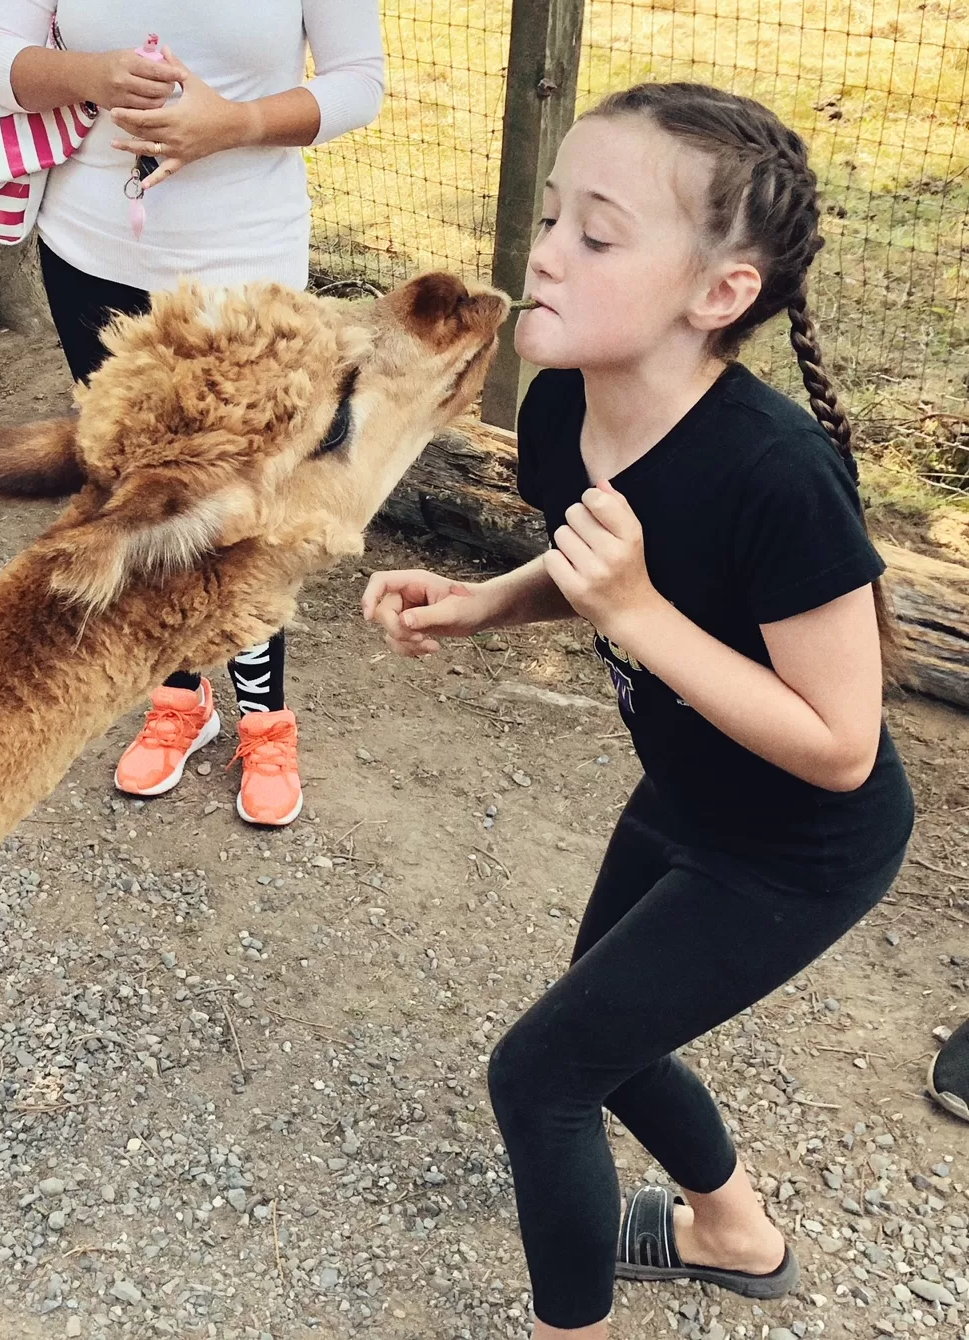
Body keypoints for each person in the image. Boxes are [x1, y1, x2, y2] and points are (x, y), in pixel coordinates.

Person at [362, 82, 914, 1338]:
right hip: (689, 793)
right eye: (551, 214)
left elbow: (839, 747)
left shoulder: (774, 475)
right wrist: (475, 605)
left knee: (542, 1072)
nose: (540, 250)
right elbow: (589, 571)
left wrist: (635, 614)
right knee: (598, 1017)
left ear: (716, 293)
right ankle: (730, 1229)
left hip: (801, 850)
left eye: (593, 234)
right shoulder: (563, 404)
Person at [0, 0, 384, 826]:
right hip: (89, 256)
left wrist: (235, 123)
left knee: (246, 501)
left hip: (243, 268)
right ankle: (179, 696)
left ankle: (265, 720)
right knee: (135, 493)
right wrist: (93, 73)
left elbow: (359, 83)